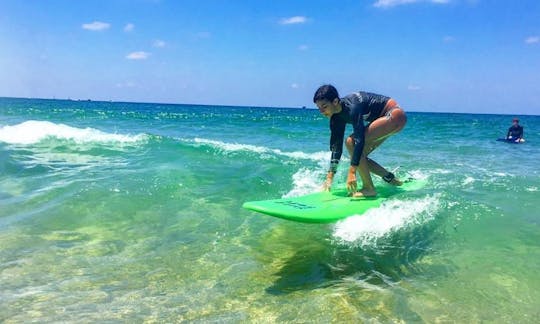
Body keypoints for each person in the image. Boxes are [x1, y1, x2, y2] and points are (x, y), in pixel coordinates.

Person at [313, 84, 407, 197]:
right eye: (319, 108)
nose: (322, 111)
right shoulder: (335, 118)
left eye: (324, 106)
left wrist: (352, 172)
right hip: (387, 121)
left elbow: (359, 139)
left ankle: (369, 188)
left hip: (394, 115)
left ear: (335, 101)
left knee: (351, 142)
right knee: (358, 156)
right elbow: (336, 148)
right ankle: (391, 179)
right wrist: (329, 177)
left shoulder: (352, 107)